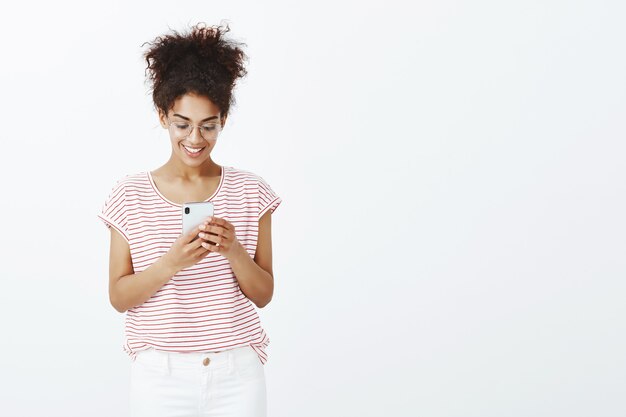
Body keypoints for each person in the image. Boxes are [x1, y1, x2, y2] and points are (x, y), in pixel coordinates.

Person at [96, 22, 281, 417]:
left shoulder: (251, 192)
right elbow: (118, 297)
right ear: (163, 116)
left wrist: (233, 251)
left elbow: (264, 295)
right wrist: (171, 263)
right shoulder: (129, 195)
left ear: (224, 119)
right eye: (182, 124)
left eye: (208, 125)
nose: (195, 139)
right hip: (160, 378)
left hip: (238, 375)